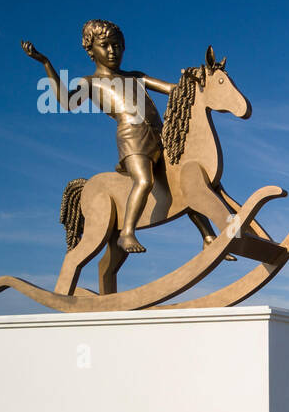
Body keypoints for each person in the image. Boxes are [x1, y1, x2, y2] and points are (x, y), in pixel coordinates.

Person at [22, 20, 179, 253]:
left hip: (160, 135)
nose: (112, 51)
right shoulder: (91, 83)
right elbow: (66, 102)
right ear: (90, 50)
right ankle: (127, 233)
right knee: (145, 181)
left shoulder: (136, 77)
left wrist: (196, 77)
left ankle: (208, 236)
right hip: (132, 137)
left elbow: (174, 89)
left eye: (117, 45)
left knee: (182, 179)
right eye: (105, 45)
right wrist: (46, 63)